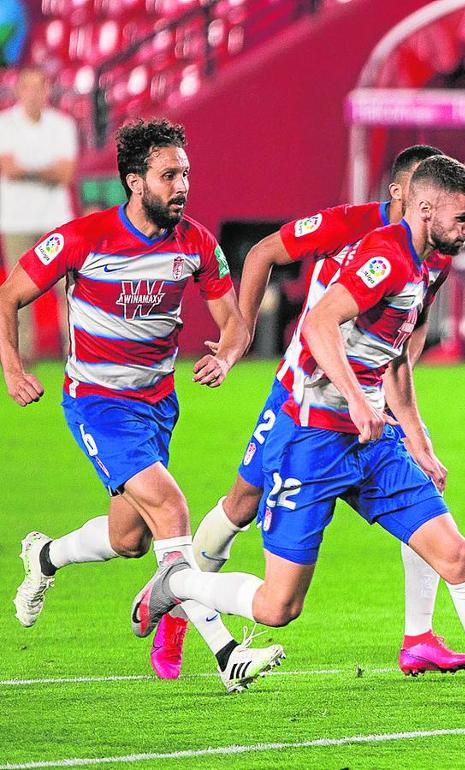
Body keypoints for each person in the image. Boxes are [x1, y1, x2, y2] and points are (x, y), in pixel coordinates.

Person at [130, 155, 465, 725]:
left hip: (371, 442)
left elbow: (394, 357)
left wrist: (414, 435)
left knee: (459, 556)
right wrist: (340, 387)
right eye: (464, 219)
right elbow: (317, 324)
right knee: (277, 606)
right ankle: (179, 584)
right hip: (312, 435)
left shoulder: (428, 261)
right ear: (422, 206)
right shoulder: (382, 252)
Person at [149, 145, 465, 680]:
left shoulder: (435, 253)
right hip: (300, 396)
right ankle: (178, 614)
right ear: (404, 195)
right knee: (241, 503)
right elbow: (261, 254)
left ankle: (419, 635)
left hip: (361, 398)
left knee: (424, 491)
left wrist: (404, 417)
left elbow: (404, 339)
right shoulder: (350, 226)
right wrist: (239, 339)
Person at [2, 119, 284, 692]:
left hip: (157, 404)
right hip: (99, 403)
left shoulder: (196, 242)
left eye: (186, 173)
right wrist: (12, 368)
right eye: (169, 175)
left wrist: (227, 357)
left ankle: (47, 557)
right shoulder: (85, 237)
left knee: (130, 539)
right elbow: (10, 294)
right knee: (172, 509)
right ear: (135, 181)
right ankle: (227, 653)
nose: (182, 186)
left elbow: (234, 322)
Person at [0, 66, 77, 357]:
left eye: (40, 87)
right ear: (18, 91)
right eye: (28, 87)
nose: (34, 93)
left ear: (47, 90)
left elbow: (66, 173)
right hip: (16, 220)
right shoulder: (4, 124)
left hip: (55, 220)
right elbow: (8, 167)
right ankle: (20, 358)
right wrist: (47, 170)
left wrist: (24, 169)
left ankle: (76, 352)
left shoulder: (63, 124)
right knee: (17, 293)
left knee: (68, 290)